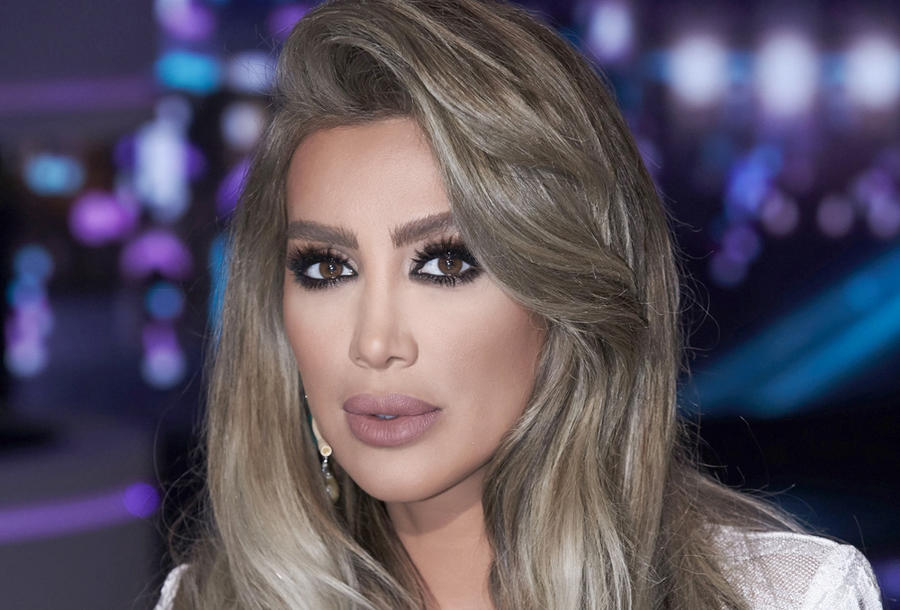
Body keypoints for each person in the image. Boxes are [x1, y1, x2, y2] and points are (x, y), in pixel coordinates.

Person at [154, 0, 882, 608]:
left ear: (566, 292)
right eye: (326, 267)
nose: (373, 342)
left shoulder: (784, 597)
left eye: (445, 263)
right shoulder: (208, 600)